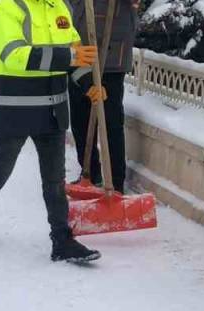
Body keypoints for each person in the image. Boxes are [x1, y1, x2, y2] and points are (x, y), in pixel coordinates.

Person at [0, 0, 103, 263]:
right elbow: (15, 56)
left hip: (53, 107)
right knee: (2, 167)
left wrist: (87, 83)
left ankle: (62, 239)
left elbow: (75, 54)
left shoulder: (60, 7)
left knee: (55, 179)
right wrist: (70, 57)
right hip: (16, 106)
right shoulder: (7, 8)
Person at [68, 0, 138, 192]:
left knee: (111, 123)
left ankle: (115, 184)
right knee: (80, 122)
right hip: (78, 50)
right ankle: (89, 174)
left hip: (112, 55)